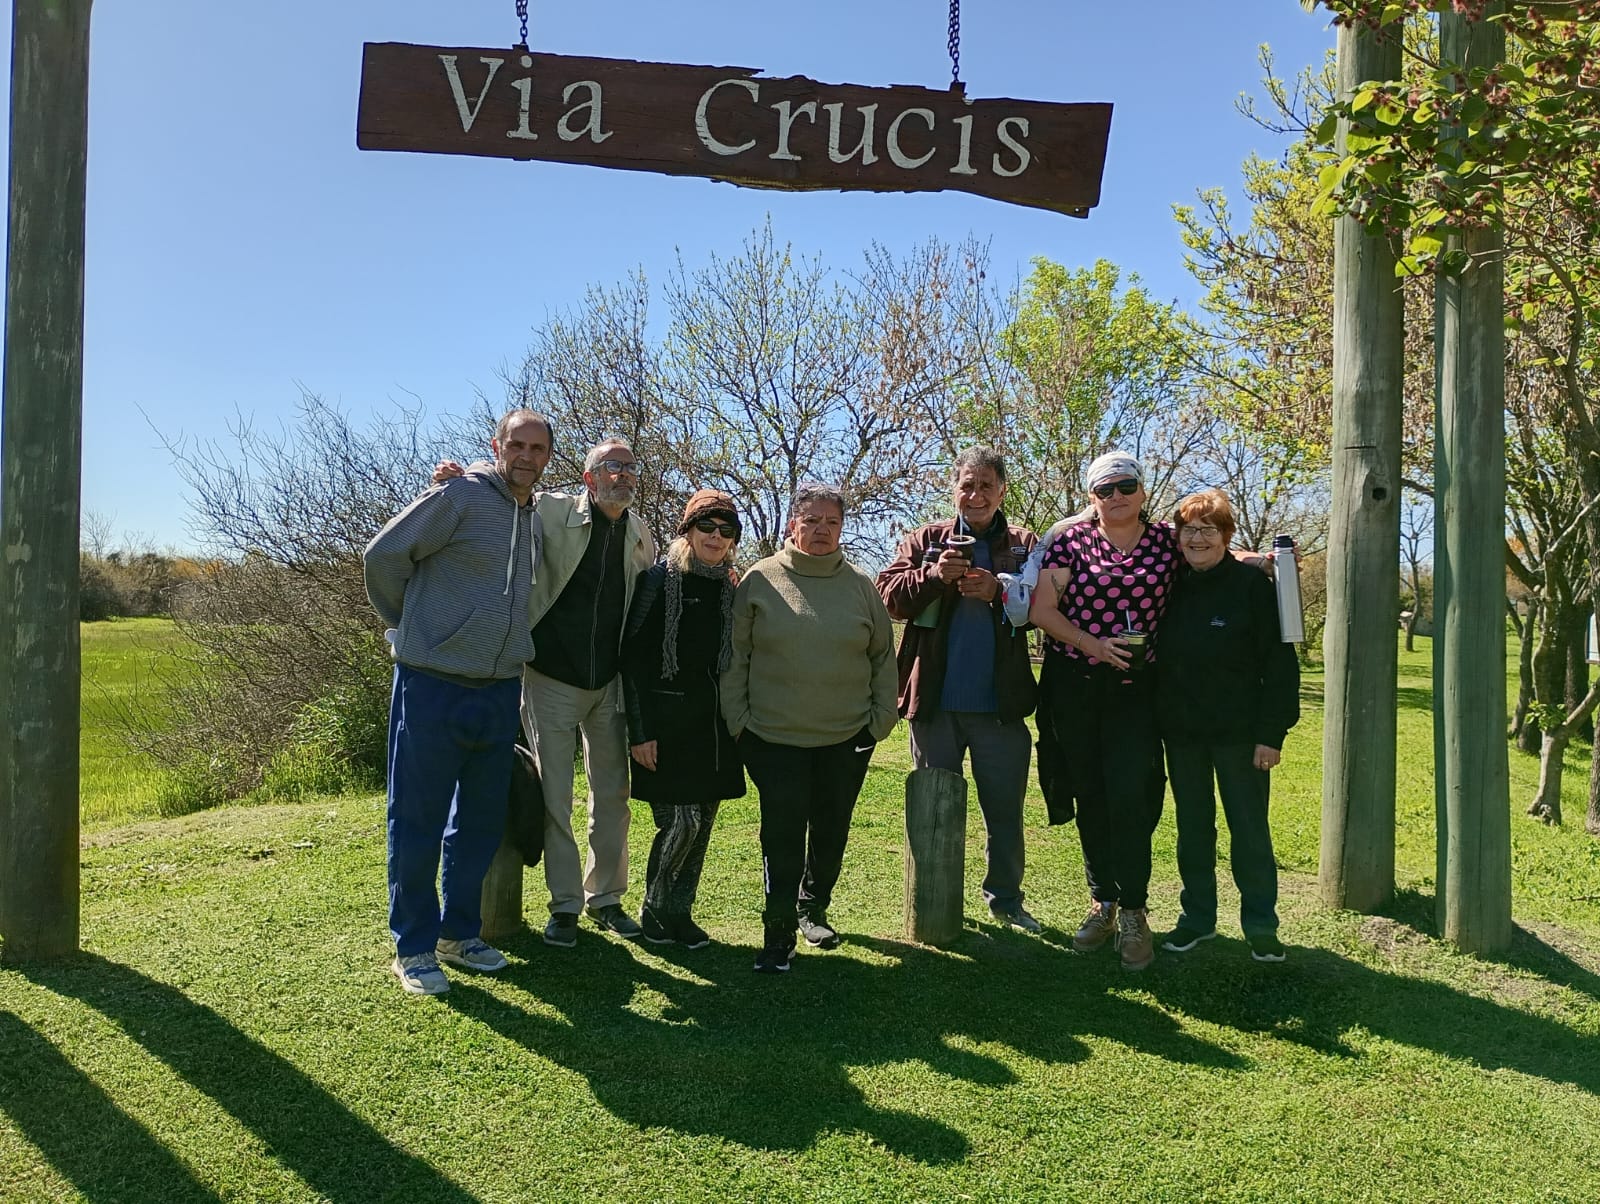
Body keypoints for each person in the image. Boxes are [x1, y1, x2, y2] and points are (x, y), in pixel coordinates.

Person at [436, 435, 656, 947]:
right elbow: (506, 491)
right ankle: (565, 906)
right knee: (556, 798)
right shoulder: (551, 511)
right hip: (550, 678)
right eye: (612, 467)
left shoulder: (640, 533)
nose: (623, 476)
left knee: (613, 797)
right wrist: (461, 479)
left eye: (630, 468)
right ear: (589, 477)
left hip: (609, 684)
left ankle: (606, 898)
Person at [364, 410, 547, 995]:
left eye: (537, 448)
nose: (526, 456)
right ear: (497, 446)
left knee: (479, 822)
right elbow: (382, 556)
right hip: (432, 683)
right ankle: (414, 948)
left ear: (547, 457)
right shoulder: (459, 497)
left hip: (499, 687)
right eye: (516, 445)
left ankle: (459, 934)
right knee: (416, 819)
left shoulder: (536, 514)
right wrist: (416, 626)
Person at [722, 483, 898, 973]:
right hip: (773, 738)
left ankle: (812, 909)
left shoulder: (861, 586)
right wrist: (739, 722)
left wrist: (879, 723)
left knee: (831, 831)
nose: (822, 530)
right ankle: (777, 932)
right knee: (782, 837)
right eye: (812, 520)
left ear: (842, 528)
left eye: (832, 522)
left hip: (847, 738)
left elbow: (883, 656)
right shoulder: (760, 580)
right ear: (793, 524)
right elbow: (736, 657)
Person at [876, 446, 1041, 931]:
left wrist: (999, 592)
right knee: (932, 809)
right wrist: (932, 576)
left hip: (1000, 709)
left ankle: (1006, 900)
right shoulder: (926, 539)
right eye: (967, 485)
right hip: (935, 706)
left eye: (986, 485)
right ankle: (931, 900)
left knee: (1004, 814)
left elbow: (1047, 606)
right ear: (954, 490)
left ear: (1002, 491)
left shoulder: (1024, 544)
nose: (976, 495)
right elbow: (889, 599)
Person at [1028, 451, 1175, 972]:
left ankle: (1134, 910)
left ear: (1142, 490)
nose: (1116, 497)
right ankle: (1103, 903)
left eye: (1125, 486)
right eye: (1104, 489)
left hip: (1138, 691)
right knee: (1089, 792)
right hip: (1077, 686)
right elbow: (1041, 610)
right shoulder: (1070, 541)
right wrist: (1092, 644)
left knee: (1133, 794)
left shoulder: (1167, 540)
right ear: (1092, 497)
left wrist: (1267, 561)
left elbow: (1218, 549)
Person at [1156, 490, 1300, 964]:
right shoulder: (1169, 583)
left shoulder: (1251, 586)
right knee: (1194, 830)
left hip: (1242, 736)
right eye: (1189, 530)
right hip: (1183, 734)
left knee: (1250, 831)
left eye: (1208, 530)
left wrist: (1271, 735)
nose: (1197, 539)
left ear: (1226, 535)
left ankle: (1261, 925)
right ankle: (1198, 919)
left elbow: (1280, 664)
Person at [621, 489, 746, 948]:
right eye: (706, 526)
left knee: (703, 826)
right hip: (665, 727)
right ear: (688, 530)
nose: (716, 536)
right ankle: (654, 907)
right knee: (681, 824)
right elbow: (632, 658)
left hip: (712, 728)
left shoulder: (732, 588)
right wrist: (640, 733)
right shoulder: (659, 579)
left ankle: (681, 912)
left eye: (726, 530)